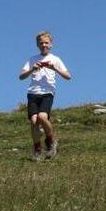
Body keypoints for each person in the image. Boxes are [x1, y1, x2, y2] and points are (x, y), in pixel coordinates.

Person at [18, 31, 71, 161]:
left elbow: (68, 76)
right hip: (33, 93)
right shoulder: (32, 59)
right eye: (41, 43)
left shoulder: (55, 59)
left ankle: (51, 140)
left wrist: (55, 69)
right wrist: (32, 69)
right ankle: (37, 149)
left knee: (42, 117)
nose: (44, 45)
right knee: (34, 121)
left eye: (46, 43)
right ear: (37, 45)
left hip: (47, 93)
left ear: (51, 44)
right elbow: (21, 76)